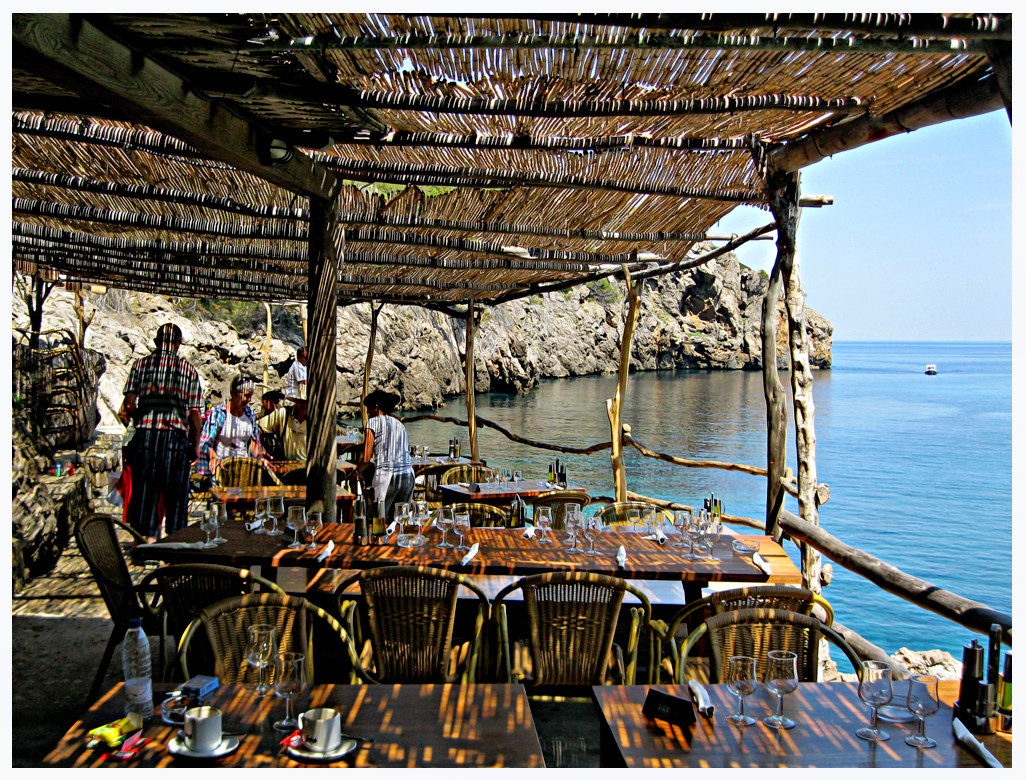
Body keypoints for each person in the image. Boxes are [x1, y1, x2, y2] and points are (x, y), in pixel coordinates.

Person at [121, 323, 203, 542]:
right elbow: (195, 413)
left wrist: (142, 419)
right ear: (178, 344)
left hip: (145, 438)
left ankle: (145, 547)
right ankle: (174, 547)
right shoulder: (188, 370)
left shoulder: (140, 365)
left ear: (157, 342)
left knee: (145, 494)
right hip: (175, 440)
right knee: (176, 497)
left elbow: (128, 406)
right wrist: (195, 445)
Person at [196, 374, 270, 482]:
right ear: (234, 394)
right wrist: (213, 457)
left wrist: (259, 455)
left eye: (251, 396)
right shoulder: (219, 414)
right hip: (221, 471)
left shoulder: (249, 414)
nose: (249, 399)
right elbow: (207, 442)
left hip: (243, 471)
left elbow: (254, 442)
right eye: (246, 395)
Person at [358, 388, 415, 520]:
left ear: (376, 408)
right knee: (400, 521)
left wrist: (358, 471)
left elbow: (366, 457)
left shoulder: (372, 422)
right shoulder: (399, 424)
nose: (367, 412)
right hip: (407, 475)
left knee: (379, 521)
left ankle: (379, 541)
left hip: (388, 478)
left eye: (369, 408)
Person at [258, 386, 308, 462]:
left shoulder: (316, 419)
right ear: (295, 400)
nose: (304, 404)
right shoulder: (284, 414)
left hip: (309, 467)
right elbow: (257, 427)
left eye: (306, 401)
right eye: (300, 400)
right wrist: (258, 450)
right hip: (287, 466)